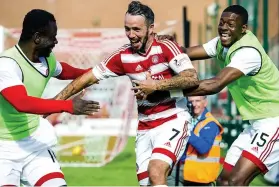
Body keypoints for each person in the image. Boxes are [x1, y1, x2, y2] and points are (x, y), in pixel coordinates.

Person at [51, 1, 199, 186]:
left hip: (172, 119)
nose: (131, 35)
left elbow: (191, 77)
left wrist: (156, 85)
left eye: (136, 29)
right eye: (127, 29)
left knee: (156, 171)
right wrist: (52, 105)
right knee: (147, 182)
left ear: (151, 28)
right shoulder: (122, 56)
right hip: (145, 127)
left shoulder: (167, 47)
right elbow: (86, 78)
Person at [134, 4, 279, 186]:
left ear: (243, 29)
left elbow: (214, 84)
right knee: (224, 181)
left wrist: (164, 90)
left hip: (274, 122)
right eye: (222, 22)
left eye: (231, 24)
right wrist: (167, 46)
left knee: (236, 181)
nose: (224, 28)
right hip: (256, 124)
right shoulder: (222, 43)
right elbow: (186, 52)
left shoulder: (248, 52)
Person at [0, 9, 100, 186]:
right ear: (37, 38)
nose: (56, 41)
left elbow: (64, 70)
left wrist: (93, 73)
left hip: (33, 144)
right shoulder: (7, 64)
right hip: (4, 150)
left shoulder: (46, 59)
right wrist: (67, 106)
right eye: (52, 37)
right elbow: (21, 103)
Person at [167, 96, 223, 186]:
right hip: (180, 169)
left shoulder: (210, 123)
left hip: (200, 175)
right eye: (191, 101)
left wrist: (186, 131)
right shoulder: (186, 119)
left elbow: (203, 148)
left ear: (205, 102)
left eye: (197, 101)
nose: (193, 104)